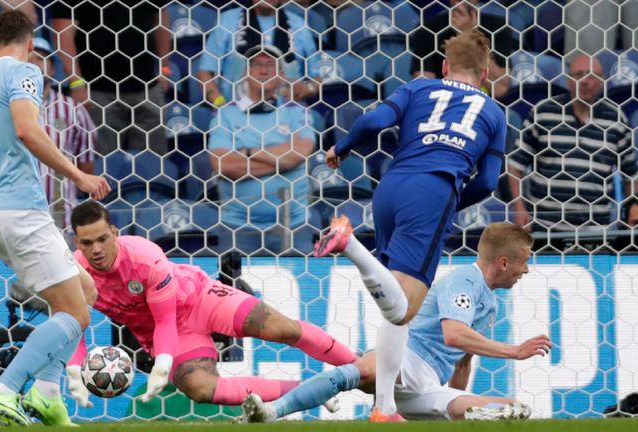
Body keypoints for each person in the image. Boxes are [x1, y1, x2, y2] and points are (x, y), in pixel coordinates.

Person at [315, 29, 507, 422]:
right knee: (406, 309)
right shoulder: (493, 111)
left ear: (444, 67)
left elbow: (373, 121)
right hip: (433, 190)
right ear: (485, 73)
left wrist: (343, 147)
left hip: (391, 187)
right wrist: (450, 205)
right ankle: (350, 245)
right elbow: (488, 181)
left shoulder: (418, 87)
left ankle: (383, 407)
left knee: (393, 306)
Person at [0, 10, 109, 426]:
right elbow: (26, 128)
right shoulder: (24, 72)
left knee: (85, 291)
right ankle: (5, 388)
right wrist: (78, 174)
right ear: (29, 44)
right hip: (21, 207)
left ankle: (47, 393)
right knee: (75, 314)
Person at [64, 200, 358, 412]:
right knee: (200, 388)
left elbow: (165, 319)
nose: (97, 249)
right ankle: (310, 392)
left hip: (201, 299)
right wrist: (75, 368)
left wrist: (163, 364)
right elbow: (77, 323)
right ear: (77, 242)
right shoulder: (74, 274)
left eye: (103, 239)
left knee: (283, 329)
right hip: (175, 336)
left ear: (115, 233)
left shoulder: (145, 258)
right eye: (87, 243)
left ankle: (362, 370)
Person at [243, 223, 552, 422]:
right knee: (366, 370)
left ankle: (472, 415)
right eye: (525, 261)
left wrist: (455, 407)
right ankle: (272, 412)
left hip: (430, 382)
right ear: (503, 262)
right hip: (408, 355)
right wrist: (514, 351)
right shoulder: (465, 280)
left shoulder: (489, 303)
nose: (526, 269)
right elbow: (454, 335)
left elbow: (462, 363)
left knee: (508, 408)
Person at [508, 55, 637, 232]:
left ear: (603, 82)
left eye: (591, 76)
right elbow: (515, 165)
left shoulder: (616, 119)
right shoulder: (544, 112)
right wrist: (519, 208)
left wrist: (633, 206)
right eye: (578, 75)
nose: (584, 81)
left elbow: (631, 174)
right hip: (545, 228)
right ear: (568, 80)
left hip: (595, 231)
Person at [208, 45, 315, 253]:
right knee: (234, 286)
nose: (263, 71)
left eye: (271, 65)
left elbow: (297, 155)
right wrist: (281, 158)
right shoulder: (225, 114)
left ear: (282, 74)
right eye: (256, 65)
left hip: (294, 225)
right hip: (237, 227)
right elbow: (222, 164)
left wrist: (249, 152)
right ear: (246, 72)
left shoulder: (297, 111)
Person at [51, 0, 170, 155]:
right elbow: (63, 36)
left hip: (147, 88)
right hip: (98, 92)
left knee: (152, 163)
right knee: (102, 162)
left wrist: (164, 67)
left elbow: (160, 20)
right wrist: (77, 82)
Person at [27, 37, 97, 238]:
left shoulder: (72, 110)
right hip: (20, 213)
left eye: (40, 59)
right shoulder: (7, 109)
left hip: (62, 216)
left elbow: (87, 165)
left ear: (52, 68)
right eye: (28, 60)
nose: (34, 65)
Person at [197, 0, 320, 106]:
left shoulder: (299, 25)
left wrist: (308, 88)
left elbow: (317, 77)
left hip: (286, 115)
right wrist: (221, 105)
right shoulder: (227, 21)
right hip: (237, 115)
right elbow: (205, 73)